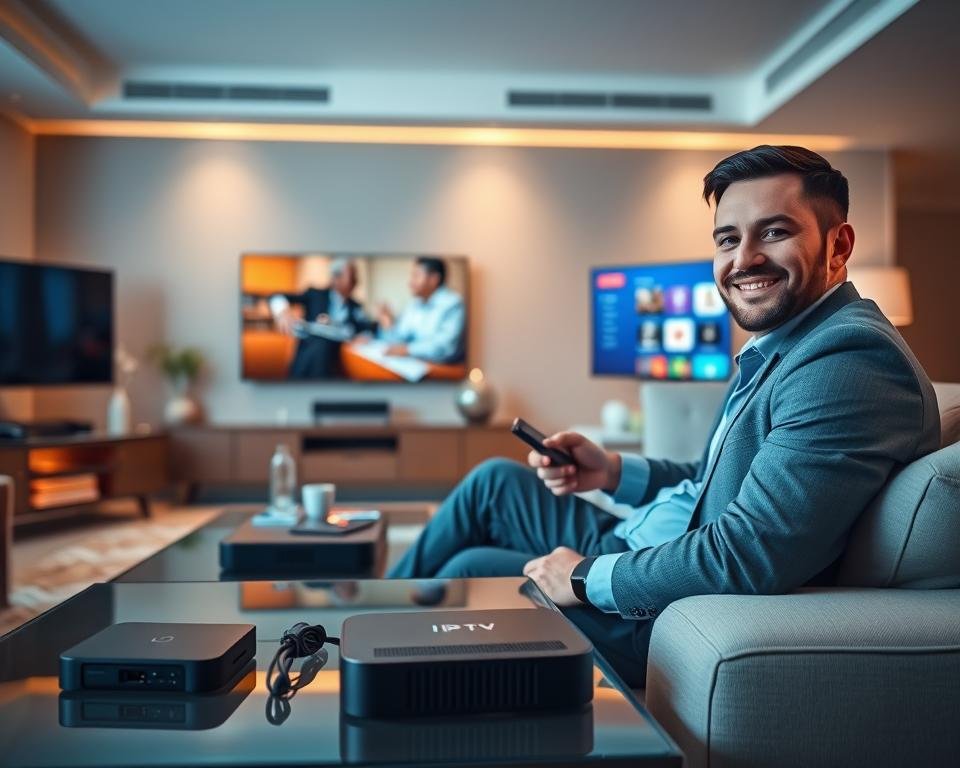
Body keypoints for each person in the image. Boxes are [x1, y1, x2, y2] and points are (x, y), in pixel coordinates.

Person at [389, 145, 940, 686]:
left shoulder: (848, 360)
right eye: (728, 238)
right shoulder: (786, 343)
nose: (743, 259)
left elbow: (752, 551)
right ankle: (355, 631)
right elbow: (706, 481)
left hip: (660, 600)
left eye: (774, 232)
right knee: (493, 482)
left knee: (470, 571)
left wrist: (581, 576)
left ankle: (360, 661)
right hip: (647, 539)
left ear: (837, 244)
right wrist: (609, 471)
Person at [269, 258, 375, 379]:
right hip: (308, 363)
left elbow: (369, 327)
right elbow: (276, 296)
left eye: (356, 275)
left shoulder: (356, 306)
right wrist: (282, 312)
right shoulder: (315, 295)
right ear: (336, 278)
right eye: (352, 275)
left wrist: (364, 335)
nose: (356, 280)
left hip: (337, 367)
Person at [378, 256, 466, 363]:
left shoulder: (453, 303)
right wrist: (388, 324)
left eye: (416, 276)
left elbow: (444, 347)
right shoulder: (414, 304)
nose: (410, 282)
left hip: (443, 368)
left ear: (434, 279)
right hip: (415, 364)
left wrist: (407, 349)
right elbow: (400, 339)